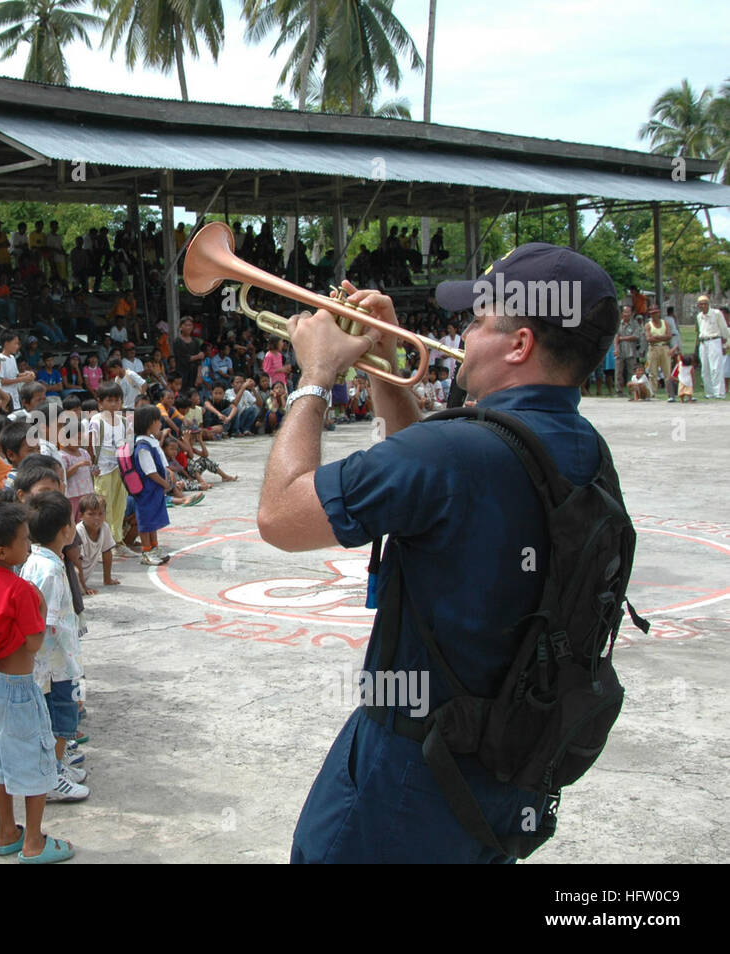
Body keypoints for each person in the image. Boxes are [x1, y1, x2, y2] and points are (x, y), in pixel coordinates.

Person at [258, 243, 627, 863]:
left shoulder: (456, 452)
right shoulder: (581, 447)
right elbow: (426, 490)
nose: (463, 331)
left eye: (480, 320)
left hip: (409, 771)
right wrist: (380, 364)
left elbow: (279, 516)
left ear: (520, 345)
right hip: (506, 762)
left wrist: (314, 378)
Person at [0, 494, 74, 862]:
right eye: (24, 539)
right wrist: (38, 607)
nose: (30, 544)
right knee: (36, 762)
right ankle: (34, 841)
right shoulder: (22, 591)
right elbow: (33, 643)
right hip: (19, 687)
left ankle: (6, 831)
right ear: (3, 551)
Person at [19, 491, 91, 801]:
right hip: (54, 666)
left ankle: (56, 767)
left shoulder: (40, 560)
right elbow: (43, 621)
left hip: (53, 664)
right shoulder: (47, 569)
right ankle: (52, 776)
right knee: (62, 719)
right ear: (65, 530)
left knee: (58, 717)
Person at [128, 406, 172, 565]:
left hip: (154, 489)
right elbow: (150, 472)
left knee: (153, 519)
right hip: (147, 489)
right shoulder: (142, 447)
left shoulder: (150, 440)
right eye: (157, 421)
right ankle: (146, 551)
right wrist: (164, 483)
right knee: (146, 520)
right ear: (149, 423)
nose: (160, 423)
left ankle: (154, 547)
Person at [89, 383, 129, 550]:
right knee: (104, 507)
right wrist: (93, 466)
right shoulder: (96, 421)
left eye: (117, 400)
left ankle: (117, 539)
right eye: (110, 400)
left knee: (120, 505)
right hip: (103, 468)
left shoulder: (124, 421)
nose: (114, 404)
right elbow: (91, 446)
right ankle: (105, 543)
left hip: (120, 468)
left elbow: (126, 445)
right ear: (100, 402)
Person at [74, 493, 119, 589]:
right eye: (91, 514)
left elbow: (107, 552)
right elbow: (76, 561)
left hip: (84, 577)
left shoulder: (104, 527)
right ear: (81, 515)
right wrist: (83, 586)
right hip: (73, 577)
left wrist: (107, 579)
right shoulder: (79, 531)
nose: (97, 518)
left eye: (101, 513)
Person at [693, 295, 728, 399]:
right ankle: (709, 392)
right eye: (701, 304)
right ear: (698, 305)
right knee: (705, 369)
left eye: (705, 303)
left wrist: (724, 344)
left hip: (714, 340)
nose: (703, 306)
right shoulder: (699, 316)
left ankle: (719, 393)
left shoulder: (716, 314)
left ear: (708, 304)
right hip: (703, 342)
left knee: (716, 367)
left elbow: (724, 329)